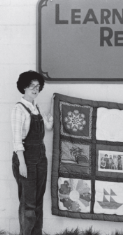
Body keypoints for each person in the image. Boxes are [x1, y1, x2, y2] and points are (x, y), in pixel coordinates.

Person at [11, 71, 53, 235]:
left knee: (38, 202)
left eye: (38, 86)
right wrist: (21, 163)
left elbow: (48, 128)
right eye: (32, 86)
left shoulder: (36, 108)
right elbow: (16, 140)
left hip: (41, 159)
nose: (35, 89)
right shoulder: (18, 109)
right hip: (25, 160)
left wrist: (52, 113)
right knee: (28, 203)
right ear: (24, 87)